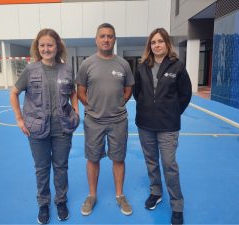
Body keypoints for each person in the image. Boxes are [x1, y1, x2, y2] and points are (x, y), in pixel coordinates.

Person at [10, 28, 79, 224]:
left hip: (63, 128)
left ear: (57, 47)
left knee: (61, 167)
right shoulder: (30, 70)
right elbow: (13, 93)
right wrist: (19, 119)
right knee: (42, 168)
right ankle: (43, 203)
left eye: (50, 45)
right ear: (37, 48)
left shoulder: (66, 69)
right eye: (42, 45)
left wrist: (75, 110)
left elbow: (72, 91)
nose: (46, 49)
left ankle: (61, 201)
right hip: (37, 129)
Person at [133, 28, 192, 225]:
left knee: (169, 164)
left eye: (160, 41)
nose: (156, 45)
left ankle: (177, 205)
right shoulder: (142, 67)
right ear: (149, 46)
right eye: (153, 42)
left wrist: (172, 112)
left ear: (167, 44)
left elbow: (185, 95)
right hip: (145, 124)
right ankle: (156, 192)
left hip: (168, 125)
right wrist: (147, 107)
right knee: (151, 162)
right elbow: (137, 93)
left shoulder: (177, 66)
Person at [76, 23, 134, 216]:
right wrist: (92, 107)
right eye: (102, 36)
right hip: (94, 121)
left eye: (110, 36)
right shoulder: (87, 64)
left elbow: (128, 90)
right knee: (93, 159)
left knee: (119, 159)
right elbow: (80, 91)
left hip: (118, 121)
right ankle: (92, 195)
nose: (106, 39)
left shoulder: (123, 64)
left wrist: (118, 104)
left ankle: (119, 195)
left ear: (114, 40)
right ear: (96, 39)